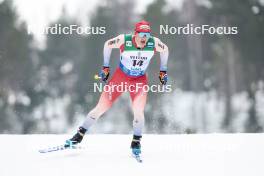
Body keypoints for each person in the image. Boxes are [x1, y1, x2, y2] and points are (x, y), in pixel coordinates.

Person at [65, 20, 169, 157]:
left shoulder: (153, 43)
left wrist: (163, 70)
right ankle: (79, 135)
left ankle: (136, 141)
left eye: (147, 34)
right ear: (135, 34)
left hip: (139, 80)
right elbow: (107, 45)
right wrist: (106, 67)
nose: (145, 38)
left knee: (138, 110)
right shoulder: (124, 40)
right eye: (142, 34)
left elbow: (165, 49)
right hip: (121, 76)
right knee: (101, 107)